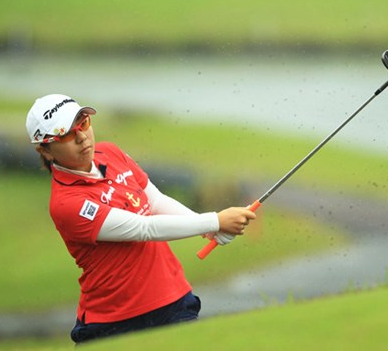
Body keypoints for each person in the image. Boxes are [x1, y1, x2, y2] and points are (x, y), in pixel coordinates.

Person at [25, 94, 256, 343]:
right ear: (45, 150)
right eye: (67, 134)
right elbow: (143, 228)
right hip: (113, 323)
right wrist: (215, 221)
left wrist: (207, 228)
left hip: (173, 300)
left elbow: (155, 201)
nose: (81, 137)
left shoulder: (111, 153)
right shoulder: (66, 203)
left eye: (83, 124)